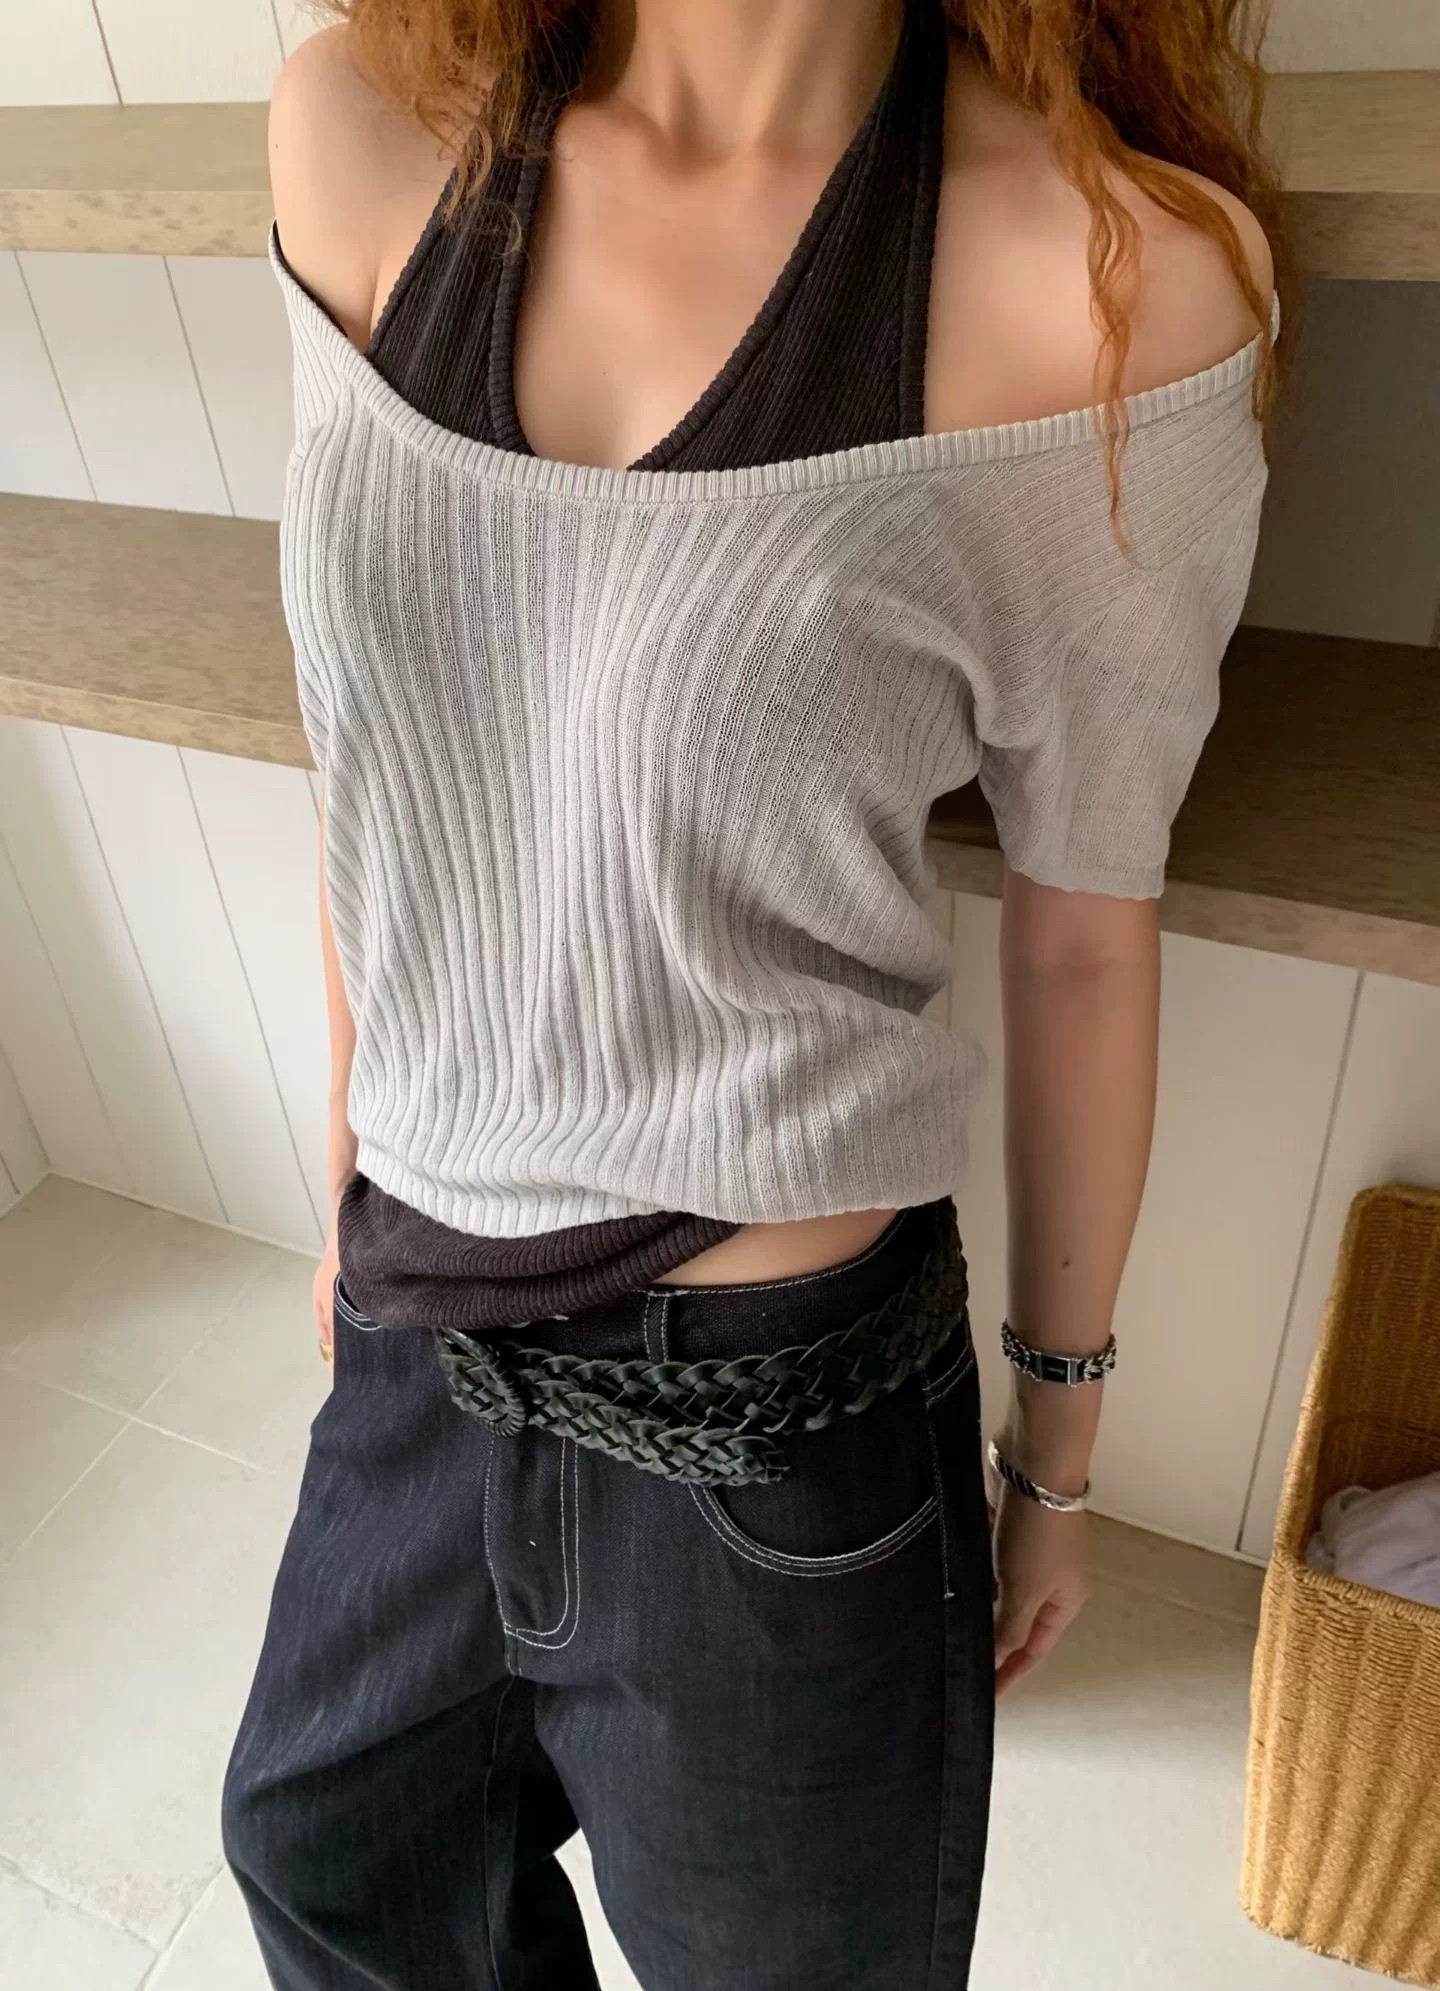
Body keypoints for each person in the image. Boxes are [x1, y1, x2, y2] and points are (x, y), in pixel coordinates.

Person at [223, 0, 1285, 1983]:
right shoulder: (360, 126)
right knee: (326, 1865)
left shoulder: (1109, 291)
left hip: (770, 1409)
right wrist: (352, 1179)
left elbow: (1081, 933)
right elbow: (378, 746)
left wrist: (1056, 1457)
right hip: (417, 1319)